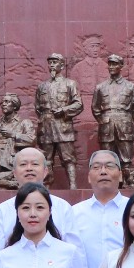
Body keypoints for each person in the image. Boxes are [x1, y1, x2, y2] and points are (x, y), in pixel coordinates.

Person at [0, 147, 76, 252]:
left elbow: (75, 251)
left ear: (45, 171)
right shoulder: (2, 210)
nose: (29, 168)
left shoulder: (63, 207)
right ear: (14, 173)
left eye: (35, 164)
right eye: (23, 164)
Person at [71, 150, 129, 268]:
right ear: (89, 177)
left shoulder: (133, 209)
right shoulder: (74, 213)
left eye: (109, 166)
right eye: (96, 167)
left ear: (120, 175)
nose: (103, 172)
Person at [34, 52, 84, 190]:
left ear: (62, 65)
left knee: (68, 158)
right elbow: (38, 107)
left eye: (55, 62)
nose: (52, 65)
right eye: (50, 62)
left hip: (63, 126)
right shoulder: (42, 86)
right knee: (46, 158)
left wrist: (63, 110)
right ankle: (46, 187)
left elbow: (78, 104)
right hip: (46, 126)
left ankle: (73, 185)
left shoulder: (70, 84)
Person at [91, 54, 134, 168]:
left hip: (125, 127)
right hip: (106, 127)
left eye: (114, 64)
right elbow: (95, 108)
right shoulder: (100, 87)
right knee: (106, 160)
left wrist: (127, 120)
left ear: (121, 66)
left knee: (126, 160)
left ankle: (126, 179)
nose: (111, 67)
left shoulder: (131, 86)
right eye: (109, 64)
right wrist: (103, 121)